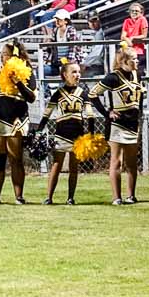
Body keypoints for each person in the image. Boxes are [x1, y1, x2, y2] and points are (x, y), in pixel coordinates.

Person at [0, 41, 37, 205]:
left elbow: (32, 98)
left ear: (14, 56)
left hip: (16, 120)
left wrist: (18, 82)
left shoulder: (27, 71)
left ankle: (19, 196)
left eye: (5, 54)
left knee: (15, 159)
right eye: (2, 54)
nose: (2, 56)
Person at [89, 46, 144, 205]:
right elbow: (93, 94)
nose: (136, 61)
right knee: (116, 161)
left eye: (136, 58)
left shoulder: (136, 75)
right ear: (123, 61)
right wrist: (107, 113)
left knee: (132, 162)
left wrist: (138, 112)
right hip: (117, 124)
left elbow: (139, 97)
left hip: (133, 123)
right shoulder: (113, 77)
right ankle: (117, 197)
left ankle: (131, 195)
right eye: (133, 59)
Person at [36, 62, 95, 205]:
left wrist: (91, 135)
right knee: (56, 165)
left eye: (78, 72)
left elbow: (90, 115)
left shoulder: (83, 93)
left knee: (74, 168)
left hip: (78, 136)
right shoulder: (58, 94)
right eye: (73, 72)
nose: (77, 75)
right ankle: (49, 197)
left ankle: (70, 197)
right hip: (61, 134)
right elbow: (47, 114)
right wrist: (39, 131)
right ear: (65, 75)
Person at [42, 9, 84, 78]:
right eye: (56, 19)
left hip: (71, 64)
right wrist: (43, 60)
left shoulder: (71, 30)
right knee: (41, 70)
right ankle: (44, 88)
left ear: (66, 21)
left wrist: (67, 64)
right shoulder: (55, 31)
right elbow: (49, 48)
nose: (57, 21)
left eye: (59, 19)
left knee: (66, 75)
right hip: (57, 64)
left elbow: (72, 48)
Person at [120, 3, 148, 76]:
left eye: (136, 11)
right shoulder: (127, 21)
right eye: (132, 11)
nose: (134, 12)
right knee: (127, 72)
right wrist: (128, 40)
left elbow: (144, 35)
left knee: (138, 72)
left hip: (139, 51)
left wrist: (132, 38)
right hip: (128, 51)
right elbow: (123, 36)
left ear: (141, 13)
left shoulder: (142, 19)